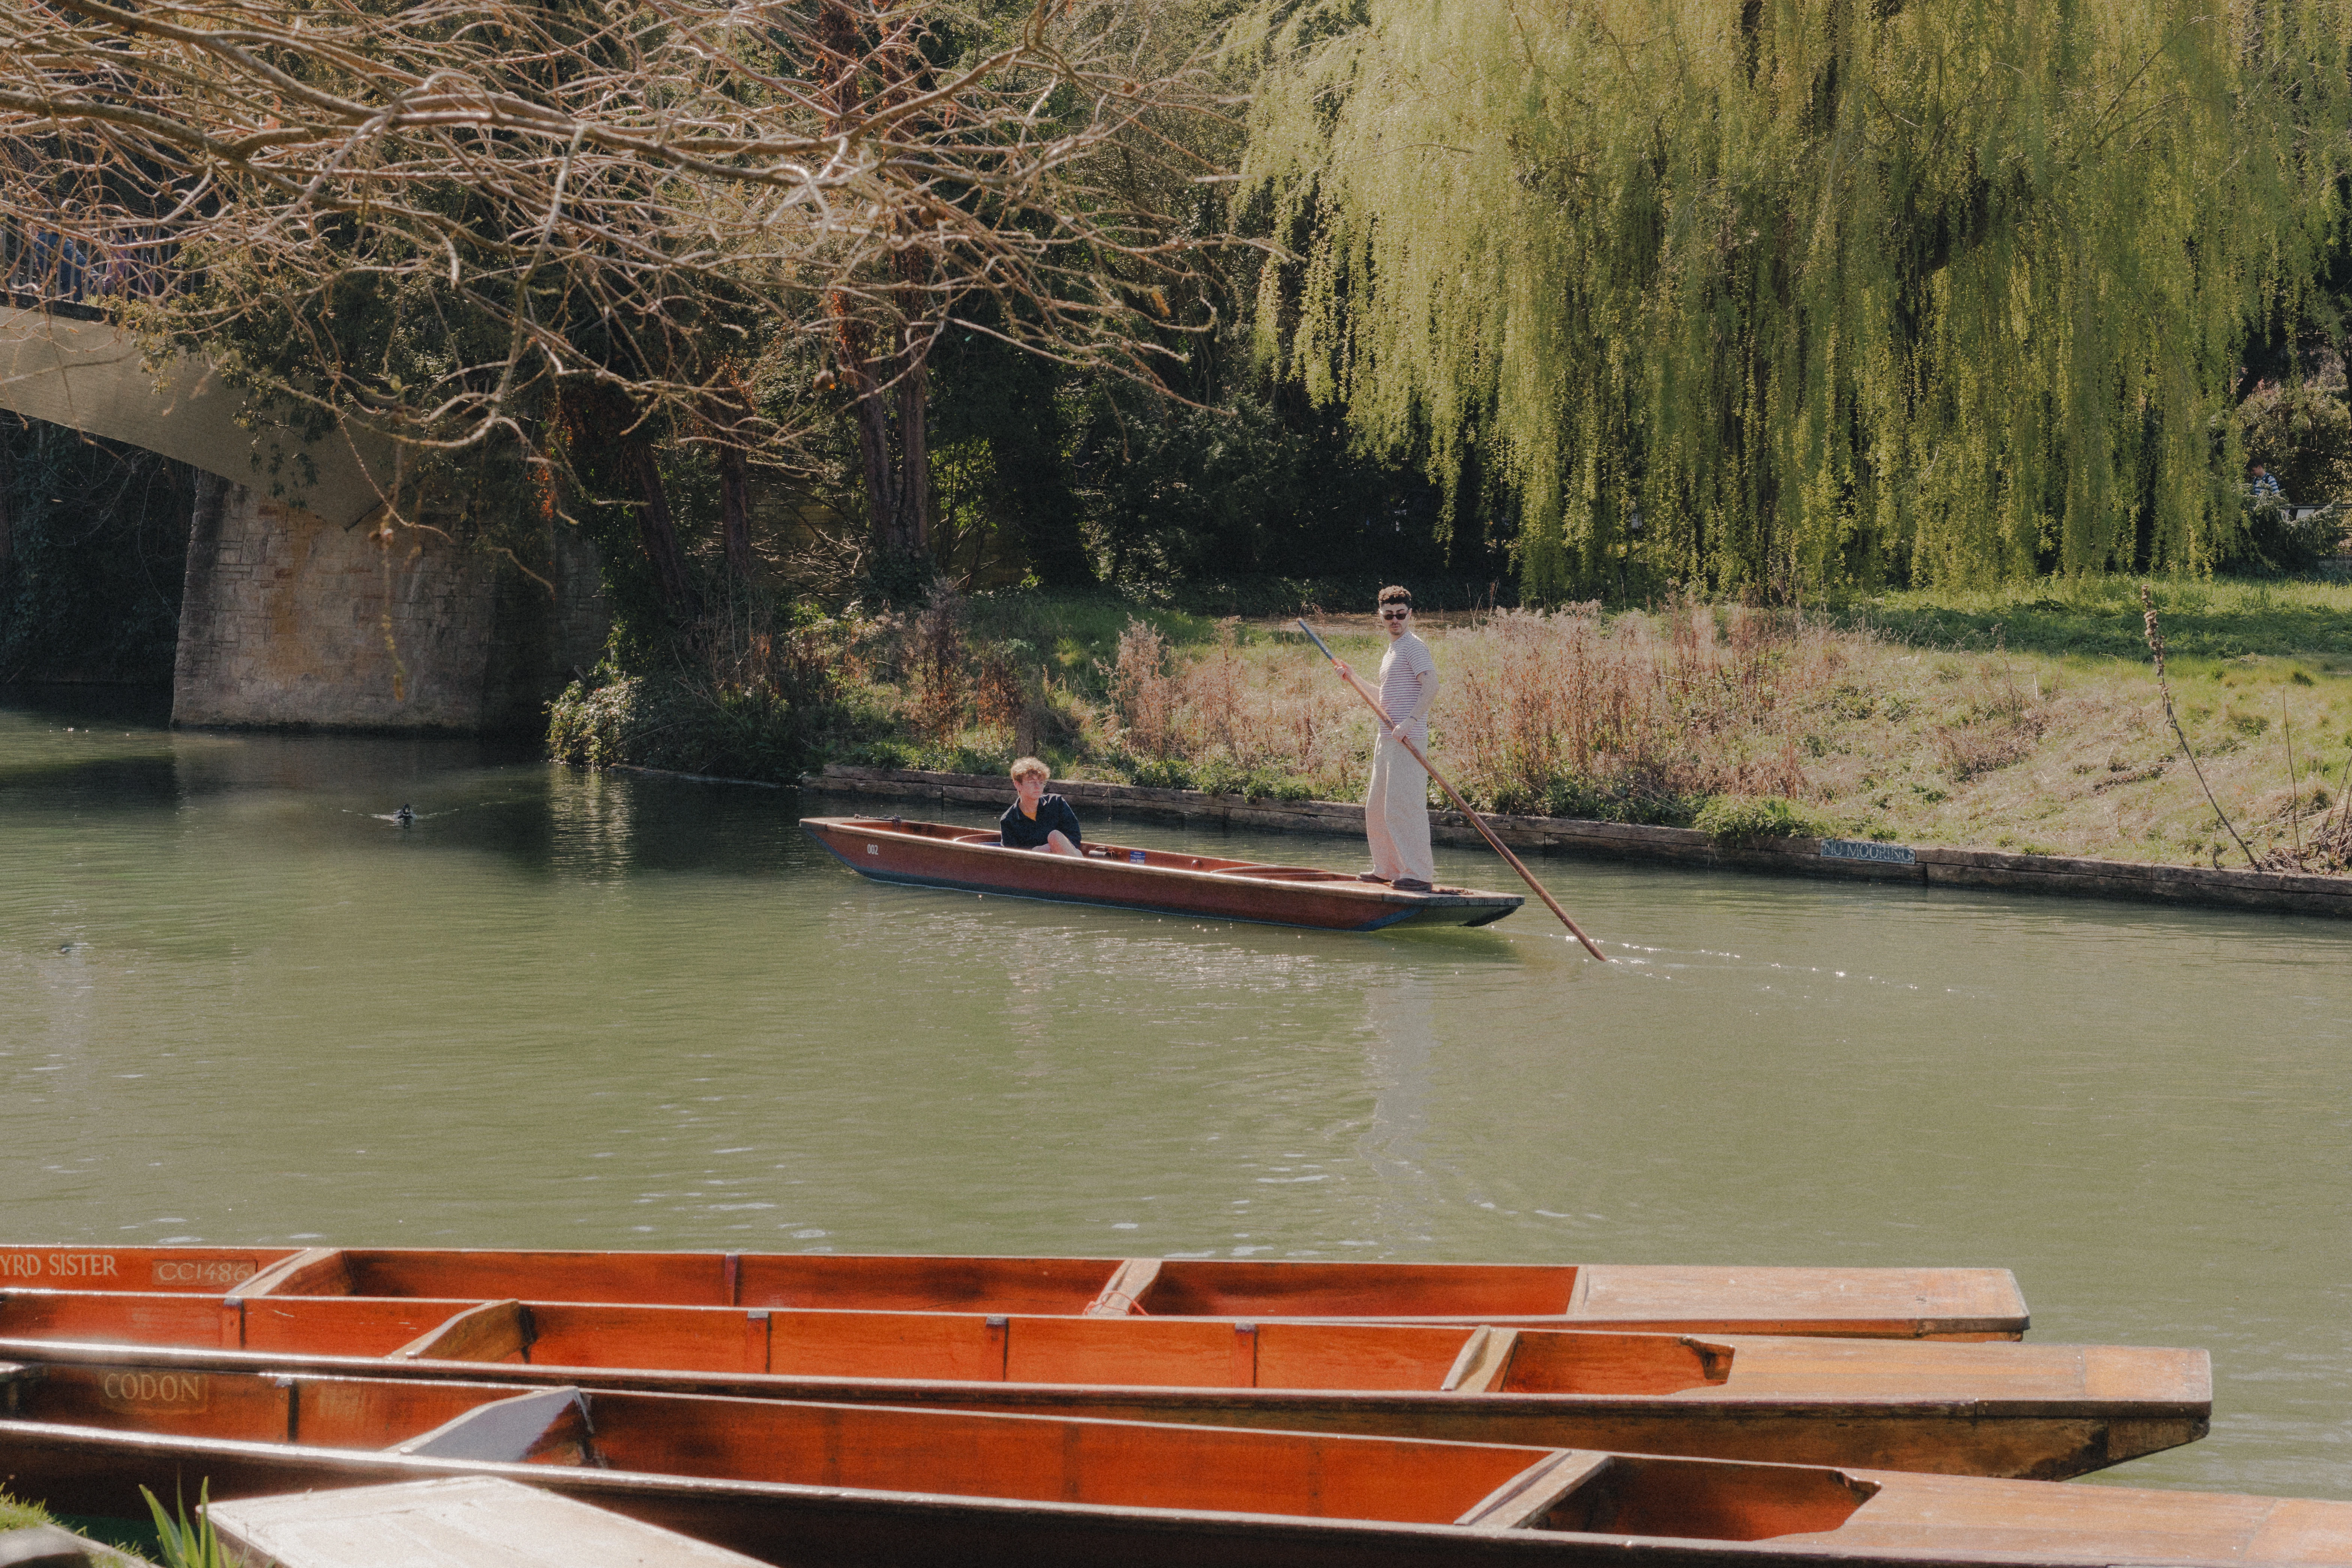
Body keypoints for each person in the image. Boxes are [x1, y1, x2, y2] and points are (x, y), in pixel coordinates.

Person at [1329, 586, 1438, 892]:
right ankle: (1387, 869)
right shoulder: (1391, 651)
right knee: (1376, 808)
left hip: (1409, 738)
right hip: (1388, 737)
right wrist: (1353, 678)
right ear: (1380, 616)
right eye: (1389, 615)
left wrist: (1410, 721)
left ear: (1410, 614)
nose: (1395, 620)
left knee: (1404, 807)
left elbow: (1432, 686)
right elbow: (1384, 700)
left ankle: (1418, 874)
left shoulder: (1414, 647)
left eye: (1400, 615)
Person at [1000, 756, 1084, 857]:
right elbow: (1012, 854)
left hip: (1067, 858)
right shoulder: (1008, 820)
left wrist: (1056, 847)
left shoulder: (1057, 803)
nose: (1038, 787)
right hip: (1035, 865)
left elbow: (1075, 837)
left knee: (1055, 836)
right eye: (1032, 782)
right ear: (1018, 785)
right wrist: (1035, 850)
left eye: (1041, 783)